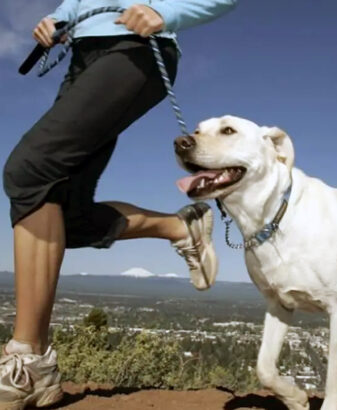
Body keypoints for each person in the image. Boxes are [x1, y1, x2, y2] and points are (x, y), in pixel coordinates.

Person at [0, 0, 237, 407]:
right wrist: (59, 18)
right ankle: (180, 228)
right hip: (82, 56)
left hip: (136, 49)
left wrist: (168, 12)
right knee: (64, 217)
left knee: (30, 169)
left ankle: (28, 357)